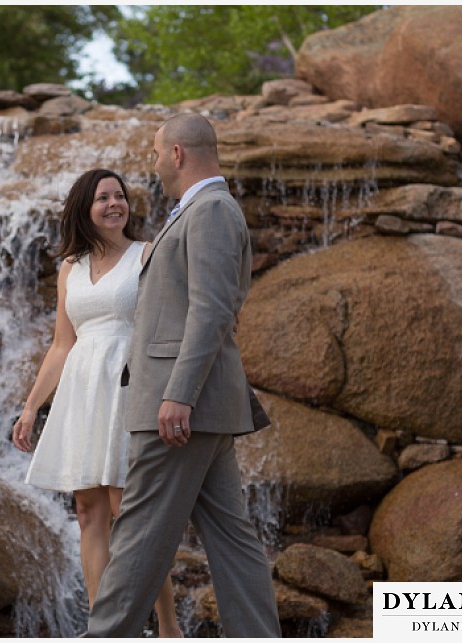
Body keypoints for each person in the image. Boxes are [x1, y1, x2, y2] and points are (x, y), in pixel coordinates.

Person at [83, 114, 282, 637]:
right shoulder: (200, 210)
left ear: (176, 154)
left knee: (138, 534)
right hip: (203, 408)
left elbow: (212, 310)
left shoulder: (212, 210)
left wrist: (178, 395)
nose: (152, 164)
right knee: (233, 539)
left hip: (179, 407)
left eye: (155, 154)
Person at [12, 168, 182, 638]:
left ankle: (169, 628)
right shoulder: (71, 266)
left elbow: (168, 325)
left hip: (130, 386)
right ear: (84, 208)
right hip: (82, 393)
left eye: (120, 196)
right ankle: (104, 628)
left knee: (133, 516)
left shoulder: (146, 254)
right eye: (103, 197)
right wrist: (31, 407)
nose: (114, 204)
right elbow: (62, 345)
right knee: (89, 512)